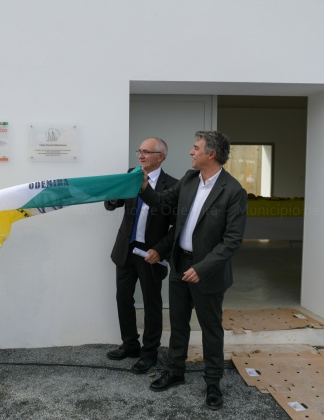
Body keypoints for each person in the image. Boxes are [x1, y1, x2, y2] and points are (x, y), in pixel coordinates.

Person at [139, 131, 247, 410]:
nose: (191, 152)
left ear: (210, 154)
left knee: (211, 329)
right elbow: (162, 204)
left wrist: (202, 268)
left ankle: (213, 383)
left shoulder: (233, 191)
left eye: (195, 148)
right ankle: (175, 372)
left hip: (207, 271)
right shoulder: (189, 179)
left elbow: (232, 241)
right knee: (178, 324)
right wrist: (143, 187)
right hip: (179, 265)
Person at [104, 137, 178, 374]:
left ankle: (149, 353)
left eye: (147, 152)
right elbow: (109, 205)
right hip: (125, 249)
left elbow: (178, 227)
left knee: (151, 304)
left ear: (161, 156)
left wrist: (161, 250)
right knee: (123, 299)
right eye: (140, 151)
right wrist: (117, 192)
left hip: (151, 254)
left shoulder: (173, 186)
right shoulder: (131, 175)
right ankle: (130, 345)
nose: (141, 155)